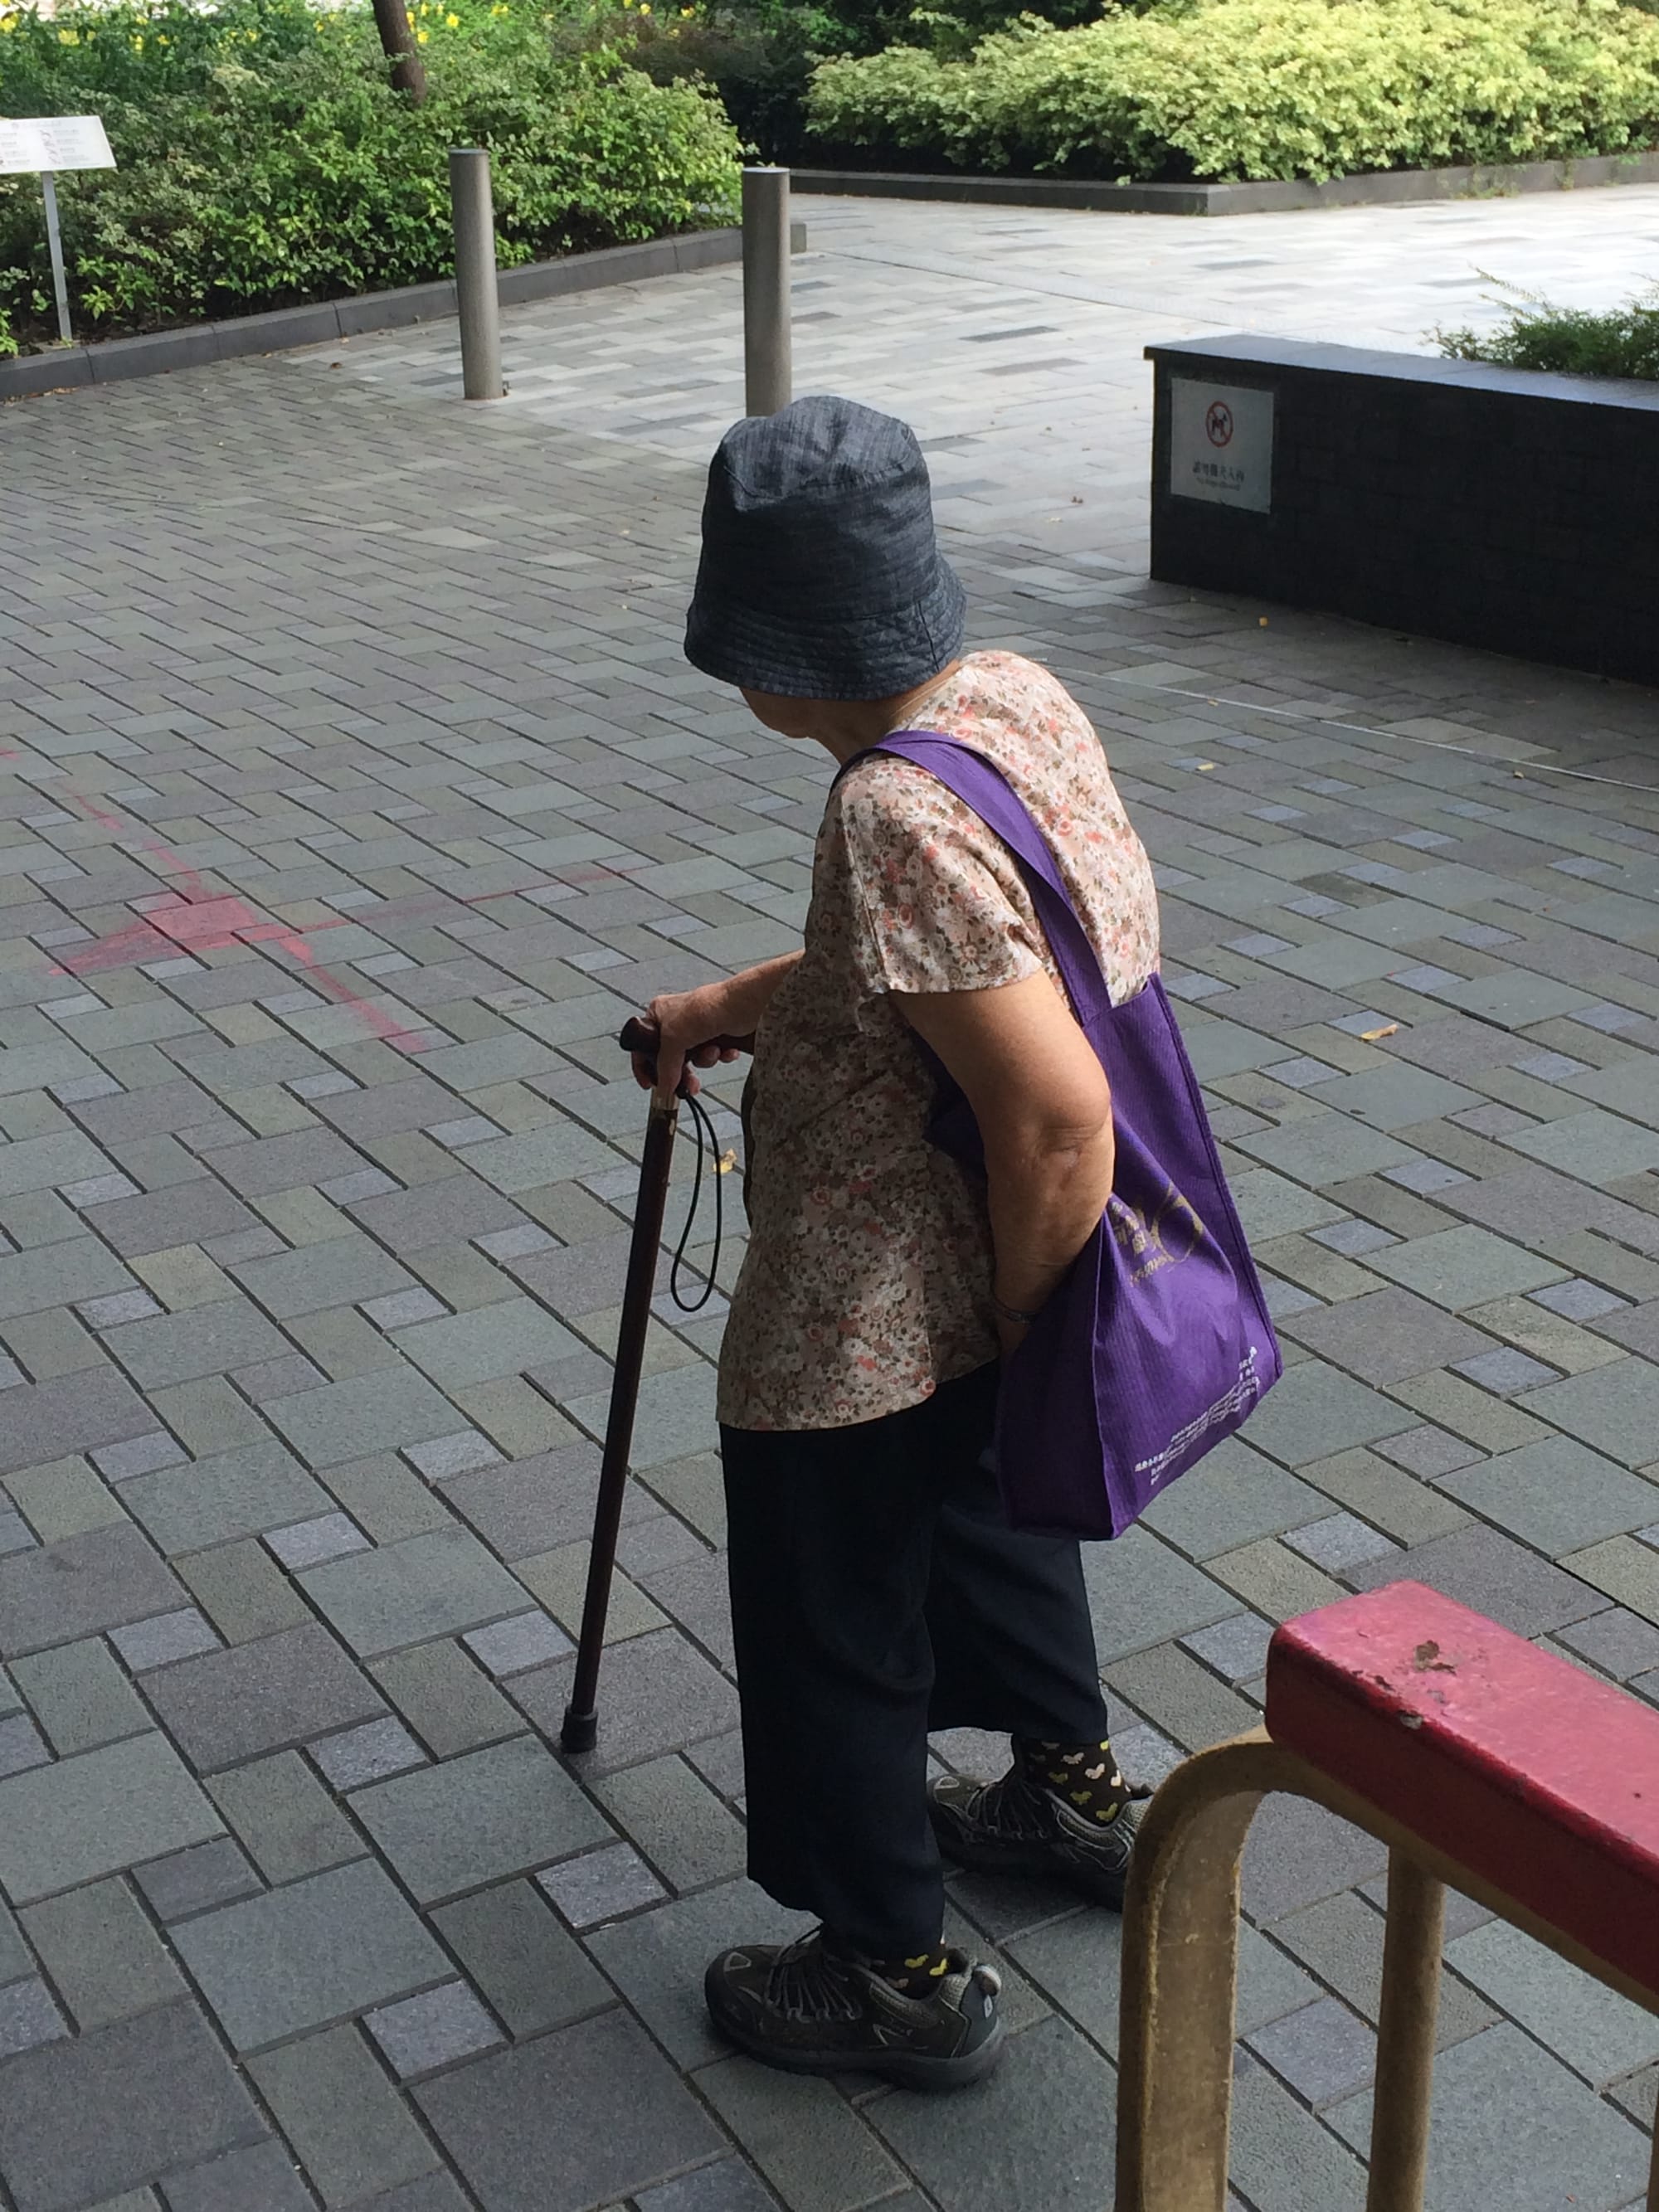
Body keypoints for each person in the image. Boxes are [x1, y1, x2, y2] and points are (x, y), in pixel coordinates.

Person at [630, 395, 1161, 2091]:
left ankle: (894, 1969)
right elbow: (952, 972)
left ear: (777, 651)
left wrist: (1021, 1298)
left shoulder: (885, 811)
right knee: (992, 1521)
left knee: (831, 1613)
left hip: (879, 1297)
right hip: (986, 1271)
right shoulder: (1009, 698)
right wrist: (730, 1005)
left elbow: (1056, 1110)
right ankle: (1067, 1794)